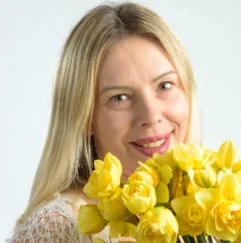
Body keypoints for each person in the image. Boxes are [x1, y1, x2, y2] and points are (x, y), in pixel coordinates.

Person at [9, 2, 201, 242]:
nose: (151, 116)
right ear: (83, 117)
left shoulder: (201, 214)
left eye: (164, 86)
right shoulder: (58, 226)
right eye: (119, 98)